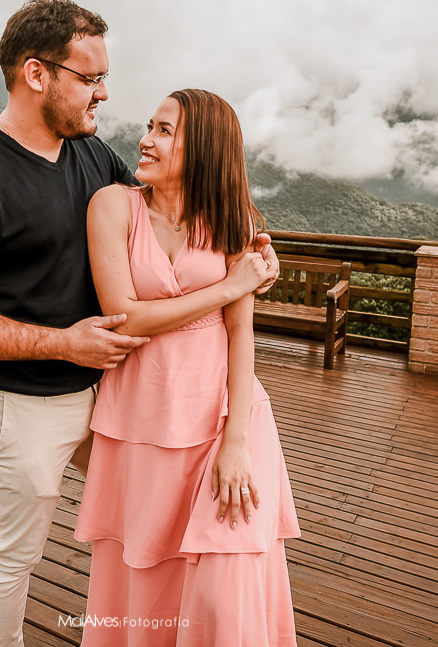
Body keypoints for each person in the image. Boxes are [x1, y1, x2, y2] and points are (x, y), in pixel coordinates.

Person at [0, 0, 279, 647]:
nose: (104, 93)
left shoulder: (90, 155)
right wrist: (63, 342)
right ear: (37, 74)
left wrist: (244, 236)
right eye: (90, 78)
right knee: (17, 548)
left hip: (107, 393)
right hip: (18, 404)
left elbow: (158, 206)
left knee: (149, 522)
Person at [75, 89, 300, 645]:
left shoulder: (235, 220)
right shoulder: (112, 206)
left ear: (204, 148)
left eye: (165, 130)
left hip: (223, 416)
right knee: (146, 574)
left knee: (228, 587)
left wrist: (236, 439)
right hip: (141, 416)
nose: (145, 141)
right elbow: (123, 319)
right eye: (149, 126)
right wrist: (228, 286)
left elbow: (240, 331)